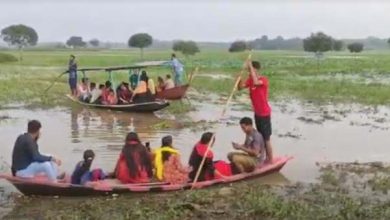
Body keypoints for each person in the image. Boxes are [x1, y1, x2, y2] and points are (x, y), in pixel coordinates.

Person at [238, 60, 274, 163]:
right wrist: (239, 79)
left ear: (256, 69)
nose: (249, 72)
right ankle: (261, 157)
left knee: (266, 138)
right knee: (260, 136)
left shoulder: (263, 80)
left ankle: (270, 159)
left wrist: (250, 65)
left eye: (251, 70)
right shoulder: (250, 80)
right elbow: (240, 88)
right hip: (257, 113)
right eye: (249, 70)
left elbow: (256, 82)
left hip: (264, 113)